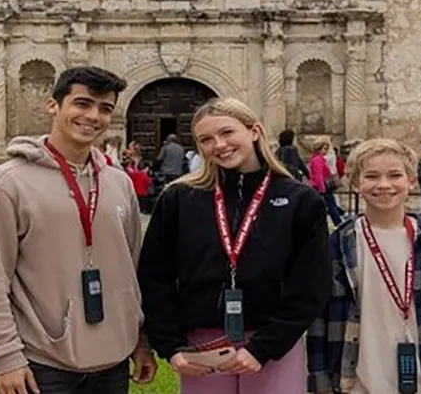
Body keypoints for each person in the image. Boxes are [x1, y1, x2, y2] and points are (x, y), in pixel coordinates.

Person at [0, 66, 157, 394]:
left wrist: (141, 340)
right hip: (43, 362)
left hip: (114, 359)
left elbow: (133, 269)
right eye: (82, 104)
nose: (93, 116)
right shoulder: (6, 183)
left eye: (105, 108)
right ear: (53, 105)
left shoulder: (118, 183)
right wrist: (4, 358)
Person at [137, 97, 330, 394]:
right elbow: (155, 276)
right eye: (206, 139)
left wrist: (265, 346)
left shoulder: (299, 200)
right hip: (202, 345)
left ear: (254, 131)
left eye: (227, 133)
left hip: (272, 343)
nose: (219, 144)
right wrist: (171, 346)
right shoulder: (178, 200)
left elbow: (310, 282)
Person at [307, 138, 421, 394]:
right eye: (371, 176)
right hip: (355, 380)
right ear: (356, 183)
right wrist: (320, 380)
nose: (384, 185)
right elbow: (320, 317)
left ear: (411, 180)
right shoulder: (338, 243)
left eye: (395, 175)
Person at [310, 139, 344, 227]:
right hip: (322, 186)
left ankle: (338, 221)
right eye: (324, 149)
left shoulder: (318, 159)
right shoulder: (318, 160)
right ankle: (339, 222)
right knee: (331, 205)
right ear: (319, 149)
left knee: (329, 205)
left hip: (321, 186)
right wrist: (322, 188)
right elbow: (318, 175)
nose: (326, 151)